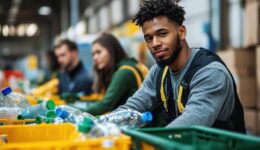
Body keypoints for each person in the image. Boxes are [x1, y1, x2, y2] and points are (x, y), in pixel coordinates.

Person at [115, 0, 246, 133]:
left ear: (181, 32)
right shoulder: (159, 71)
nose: (155, 43)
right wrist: (103, 125)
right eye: (149, 38)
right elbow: (133, 106)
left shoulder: (210, 73)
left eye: (162, 34)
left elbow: (187, 125)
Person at [83, 33, 148, 116]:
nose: (95, 58)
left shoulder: (124, 72)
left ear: (111, 50)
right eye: (93, 54)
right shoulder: (120, 69)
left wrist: (76, 112)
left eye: (98, 52)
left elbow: (105, 105)